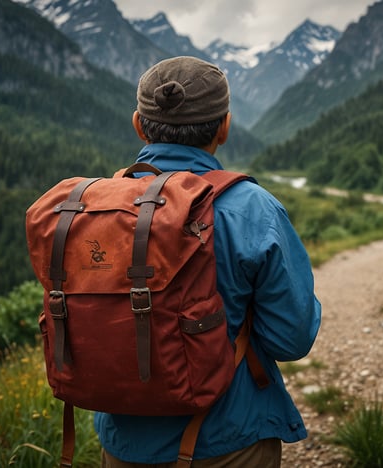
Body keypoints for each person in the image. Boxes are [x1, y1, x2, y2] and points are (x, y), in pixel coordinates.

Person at [94, 56, 321, 467]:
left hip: (123, 442)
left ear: (138, 124)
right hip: (230, 440)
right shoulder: (253, 208)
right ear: (225, 127)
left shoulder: (99, 208)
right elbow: (292, 338)